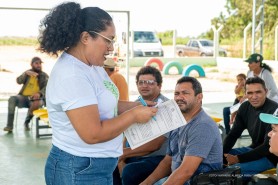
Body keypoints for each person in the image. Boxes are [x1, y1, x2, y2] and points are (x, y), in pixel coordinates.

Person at [38, 2, 157, 185]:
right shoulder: (72, 75)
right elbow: (92, 134)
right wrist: (134, 115)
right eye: (108, 40)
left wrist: (137, 106)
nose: (111, 48)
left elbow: (104, 103)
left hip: (95, 167)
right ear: (86, 37)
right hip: (78, 170)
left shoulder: (93, 66)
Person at [140, 76, 223, 185]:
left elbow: (186, 171)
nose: (179, 97)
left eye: (185, 93)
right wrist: (146, 183)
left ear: (199, 97)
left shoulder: (202, 125)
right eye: (176, 94)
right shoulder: (177, 122)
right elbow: (167, 161)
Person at [113, 66, 169, 185]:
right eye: (141, 82)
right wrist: (120, 159)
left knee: (130, 171)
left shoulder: (165, 107)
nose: (144, 86)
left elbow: (155, 145)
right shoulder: (136, 103)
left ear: (159, 86)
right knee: (110, 166)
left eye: (150, 83)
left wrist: (124, 154)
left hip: (159, 158)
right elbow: (127, 134)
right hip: (135, 154)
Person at [223, 77, 278, 182]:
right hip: (253, 150)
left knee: (229, 172)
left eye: (258, 92)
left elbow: (267, 147)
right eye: (250, 93)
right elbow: (233, 134)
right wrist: (222, 153)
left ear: (266, 92)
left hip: (270, 157)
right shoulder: (244, 107)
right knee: (215, 160)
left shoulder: (274, 110)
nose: (254, 97)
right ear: (245, 94)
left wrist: (237, 159)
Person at [3, 56, 48, 132]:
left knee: (37, 103)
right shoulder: (28, 73)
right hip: (23, 97)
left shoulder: (44, 75)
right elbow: (18, 81)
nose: (39, 65)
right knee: (12, 99)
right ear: (32, 64)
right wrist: (25, 73)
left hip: (36, 99)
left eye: (40, 63)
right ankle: (9, 126)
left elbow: (47, 87)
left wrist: (39, 93)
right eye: (36, 63)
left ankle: (27, 122)